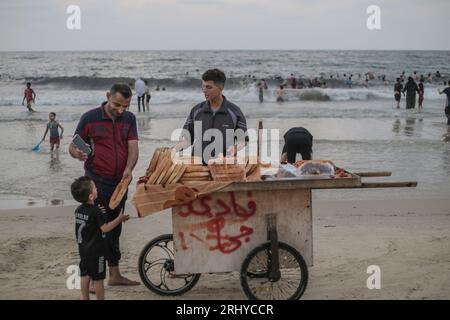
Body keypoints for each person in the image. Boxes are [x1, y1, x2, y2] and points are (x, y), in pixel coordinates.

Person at [69, 83, 140, 287]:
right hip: (97, 183)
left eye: (125, 106)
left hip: (120, 184)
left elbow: (133, 147)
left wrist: (129, 169)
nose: (121, 110)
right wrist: (77, 153)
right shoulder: (90, 118)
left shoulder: (129, 119)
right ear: (107, 96)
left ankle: (115, 275)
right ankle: (91, 280)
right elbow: (73, 145)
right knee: (97, 231)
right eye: (117, 104)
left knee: (115, 228)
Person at [71, 176, 129, 300]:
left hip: (83, 249)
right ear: (91, 196)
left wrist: (99, 212)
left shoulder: (79, 210)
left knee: (85, 275)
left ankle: (84, 297)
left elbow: (89, 222)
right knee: (98, 279)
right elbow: (105, 228)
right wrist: (119, 219)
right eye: (95, 188)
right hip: (97, 252)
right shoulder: (96, 211)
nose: (97, 188)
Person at [175, 69, 248, 164]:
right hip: (198, 166)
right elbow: (187, 140)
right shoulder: (196, 111)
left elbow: (243, 141)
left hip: (224, 166)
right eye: (203, 87)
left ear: (220, 87)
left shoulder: (234, 112)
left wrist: (235, 148)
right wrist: (172, 150)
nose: (204, 91)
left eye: (209, 87)